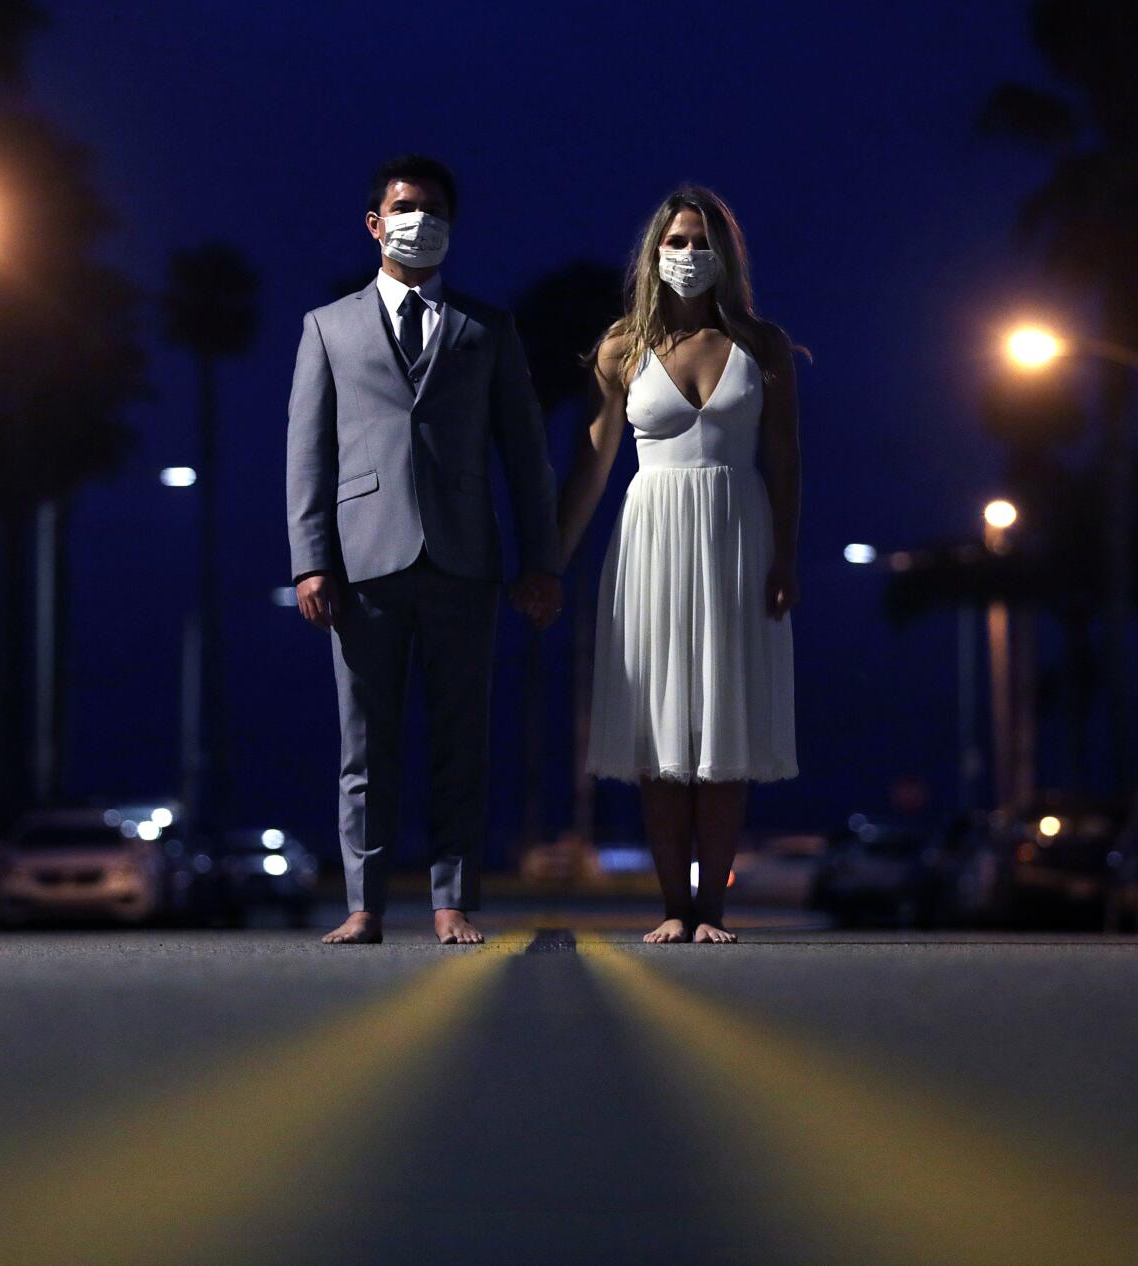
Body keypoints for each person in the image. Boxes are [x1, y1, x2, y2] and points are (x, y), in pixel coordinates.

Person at [286, 154, 562, 945]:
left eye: (435, 208)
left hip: (464, 561)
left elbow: (524, 453)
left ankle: (451, 901)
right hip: (362, 564)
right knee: (364, 745)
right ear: (375, 222)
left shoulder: (488, 328)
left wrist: (538, 561)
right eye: (406, 207)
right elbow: (307, 452)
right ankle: (363, 904)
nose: (420, 219)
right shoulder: (327, 327)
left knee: (459, 741)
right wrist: (310, 559)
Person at [558, 186, 802, 944]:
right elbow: (595, 463)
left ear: (724, 255)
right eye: (676, 241)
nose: (689, 256)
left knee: (722, 727)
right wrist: (549, 563)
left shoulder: (762, 345)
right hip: (652, 538)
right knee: (660, 735)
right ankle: (672, 906)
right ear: (653, 254)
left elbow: (786, 459)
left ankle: (712, 912)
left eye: (702, 242)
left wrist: (786, 555)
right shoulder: (621, 349)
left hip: (737, 537)